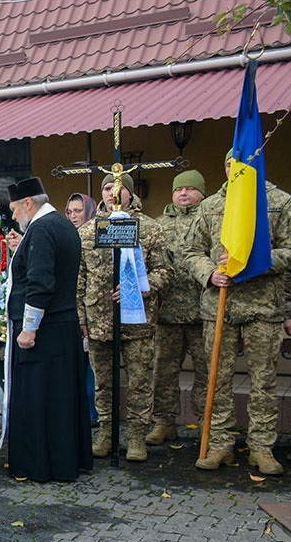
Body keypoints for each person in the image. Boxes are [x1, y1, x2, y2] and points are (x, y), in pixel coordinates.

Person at [184, 151, 291, 475]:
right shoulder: (211, 206)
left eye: (243, 164)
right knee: (216, 381)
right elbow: (191, 251)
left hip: (263, 307)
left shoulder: (278, 202)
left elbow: (289, 248)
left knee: (263, 381)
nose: (235, 170)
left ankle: (261, 448)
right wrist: (209, 273)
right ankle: (219, 444)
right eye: (230, 164)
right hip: (220, 308)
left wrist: (256, 262)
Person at [3, 177, 91, 482]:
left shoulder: (40, 230)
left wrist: (28, 330)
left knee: (40, 400)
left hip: (43, 331)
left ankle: (38, 465)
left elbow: (40, 284)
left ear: (28, 203)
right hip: (62, 327)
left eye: (14, 209)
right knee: (61, 400)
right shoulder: (62, 225)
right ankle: (66, 461)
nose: (13, 216)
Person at [79, 173, 172, 461]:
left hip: (137, 322)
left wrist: (139, 288)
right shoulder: (87, 232)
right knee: (103, 382)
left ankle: (135, 436)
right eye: (107, 188)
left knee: (140, 380)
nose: (111, 193)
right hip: (99, 320)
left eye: (118, 189)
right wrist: (81, 316)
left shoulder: (149, 229)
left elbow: (165, 271)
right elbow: (79, 278)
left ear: (130, 194)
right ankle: (106, 431)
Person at [147, 170, 210, 446]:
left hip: (203, 314)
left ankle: (207, 425)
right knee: (163, 371)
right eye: (178, 189)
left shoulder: (209, 219)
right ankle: (163, 422)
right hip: (167, 315)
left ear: (202, 193)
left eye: (190, 189)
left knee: (207, 372)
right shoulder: (159, 225)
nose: (183, 193)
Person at [64, 193, 100, 427]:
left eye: (78, 211)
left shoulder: (97, 236)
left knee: (91, 366)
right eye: (70, 212)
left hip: (92, 314)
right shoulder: (65, 236)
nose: (74, 216)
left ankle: (92, 413)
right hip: (68, 311)